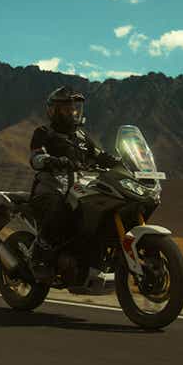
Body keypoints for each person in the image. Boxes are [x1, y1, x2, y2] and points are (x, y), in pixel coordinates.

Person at [28, 86, 118, 280]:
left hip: (78, 186)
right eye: (67, 109)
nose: (72, 112)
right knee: (58, 204)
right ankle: (41, 252)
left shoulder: (82, 137)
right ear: (54, 111)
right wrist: (52, 160)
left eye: (74, 108)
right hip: (51, 185)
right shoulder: (44, 132)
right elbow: (36, 157)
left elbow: (99, 155)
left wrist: (117, 161)